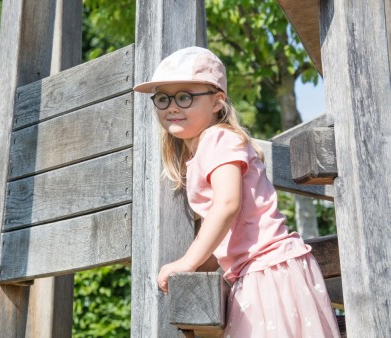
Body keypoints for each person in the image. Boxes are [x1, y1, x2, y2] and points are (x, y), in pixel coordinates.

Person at [133, 46, 341, 337]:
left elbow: (227, 204)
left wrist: (187, 262)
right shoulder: (200, 153)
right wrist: (192, 268)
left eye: (185, 97)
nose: (172, 107)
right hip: (257, 272)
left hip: (269, 269)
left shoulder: (218, 138)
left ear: (217, 102)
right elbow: (221, 233)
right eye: (163, 98)